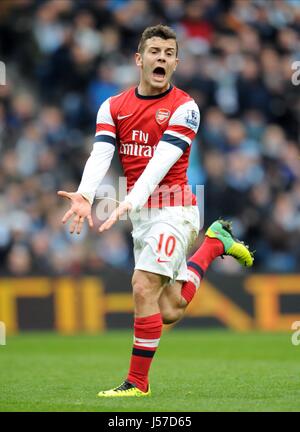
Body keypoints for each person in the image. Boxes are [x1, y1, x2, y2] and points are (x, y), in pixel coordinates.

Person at [58, 24, 253, 398]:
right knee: (170, 310)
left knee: (142, 285)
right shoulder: (113, 106)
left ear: (176, 62)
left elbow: (159, 164)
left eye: (168, 53)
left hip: (175, 208)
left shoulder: (186, 108)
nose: (161, 57)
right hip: (143, 217)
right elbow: (101, 153)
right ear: (139, 59)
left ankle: (137, 383)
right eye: (154, 51)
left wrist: (128, 200)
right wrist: (84, 194)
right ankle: (214, 244)